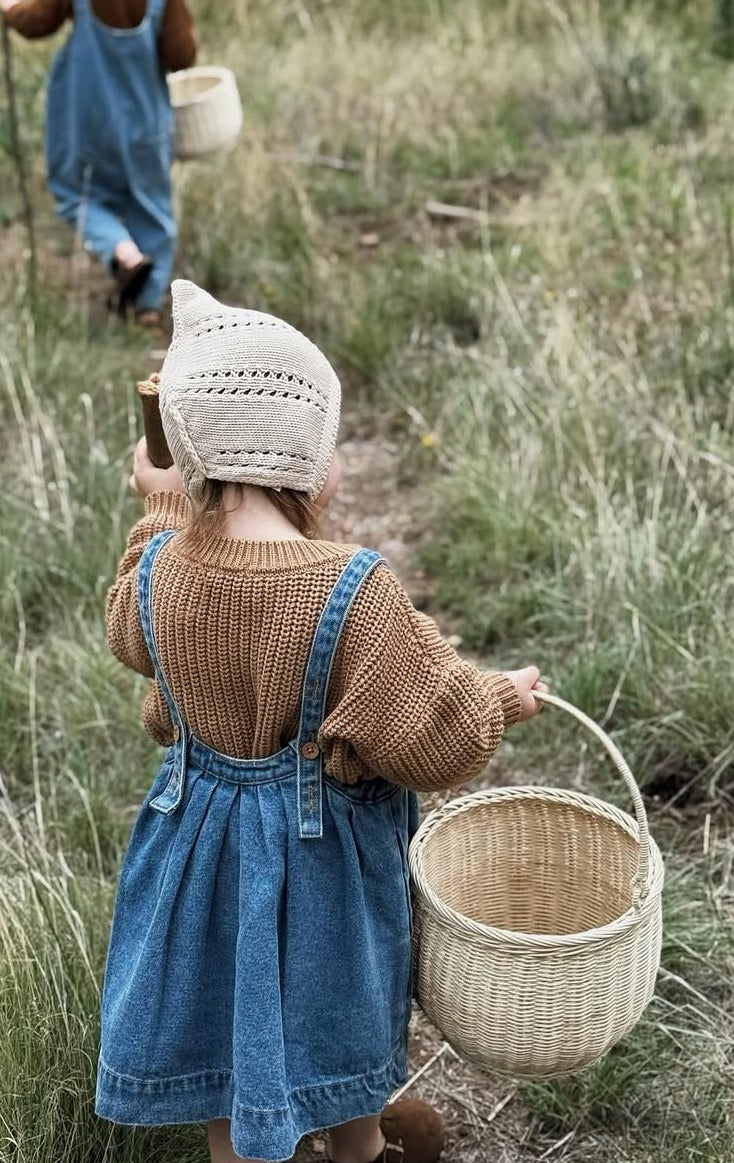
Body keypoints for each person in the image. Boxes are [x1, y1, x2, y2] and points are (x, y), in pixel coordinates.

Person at [98, 278, 548, 1163]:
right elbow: (430, 729)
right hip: (319, 860)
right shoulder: (352, 585)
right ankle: (361, 1143)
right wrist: (500, 698)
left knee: (224, 1021)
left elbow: (130, 634)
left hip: (198, 850)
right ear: (306, 460)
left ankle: (248, 1147)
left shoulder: (159, 571)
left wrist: (158, 505)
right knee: (335, 999)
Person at [0, 0, 196, 326]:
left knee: (75, 194)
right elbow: (181, 56)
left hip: (86, 120)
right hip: (145, 123)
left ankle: (123, 252)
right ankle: (147, 306)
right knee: (152, 206)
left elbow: (36, 22)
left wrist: (9, 10)